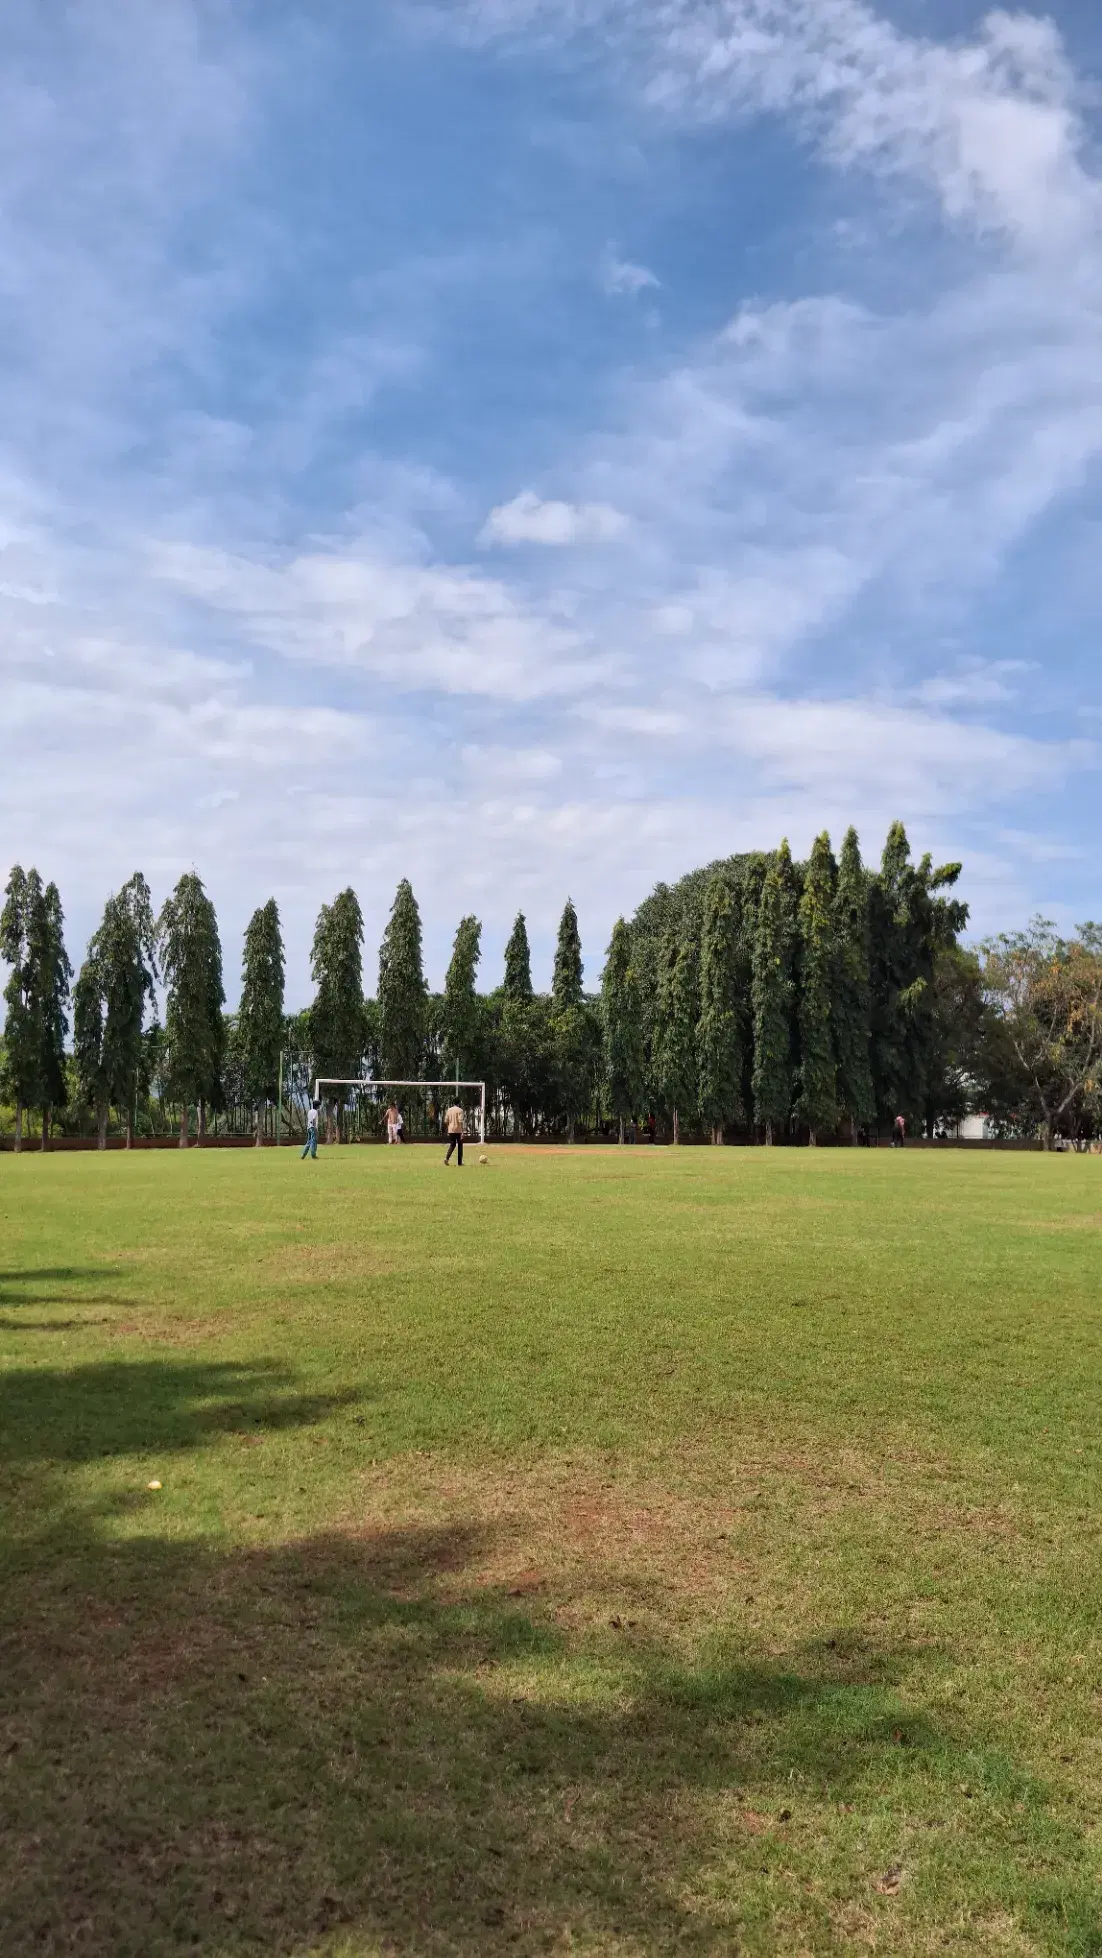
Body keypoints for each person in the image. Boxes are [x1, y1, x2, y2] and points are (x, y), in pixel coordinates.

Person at [443, 1099, 465, 1166]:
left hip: (451, 1130)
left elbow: (446, 1121)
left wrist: (448, 1128)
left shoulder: (449, 1110)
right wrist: (462, 1131)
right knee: (460, 1145)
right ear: (459, 1103)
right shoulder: (460, 1110)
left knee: (452, 1144)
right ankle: (459, 1163)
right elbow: (460, 1121)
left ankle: (446, 1158)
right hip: (458, 1130)